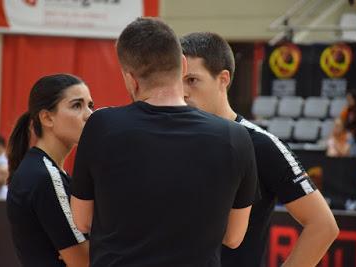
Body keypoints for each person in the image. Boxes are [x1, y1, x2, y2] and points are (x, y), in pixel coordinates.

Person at [71, 18, 259, 267]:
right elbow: (234, 237)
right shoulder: (235, 137)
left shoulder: (101, 126)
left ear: (130, 79)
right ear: (182, 65)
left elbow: (82, 221)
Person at [180, 32, 339, 267]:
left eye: (192, 80)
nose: (182, 92)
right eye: (177, 80)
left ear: (223, 79)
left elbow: (323, 226)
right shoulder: (170, 138)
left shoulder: (261, 145)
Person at [6, 74, 93, 267]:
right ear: (47, 118)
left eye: (90, 105)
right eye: (77, 105)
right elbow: (83, 262)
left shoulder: (47, 170)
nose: (89, 114)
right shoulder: (45, 176)